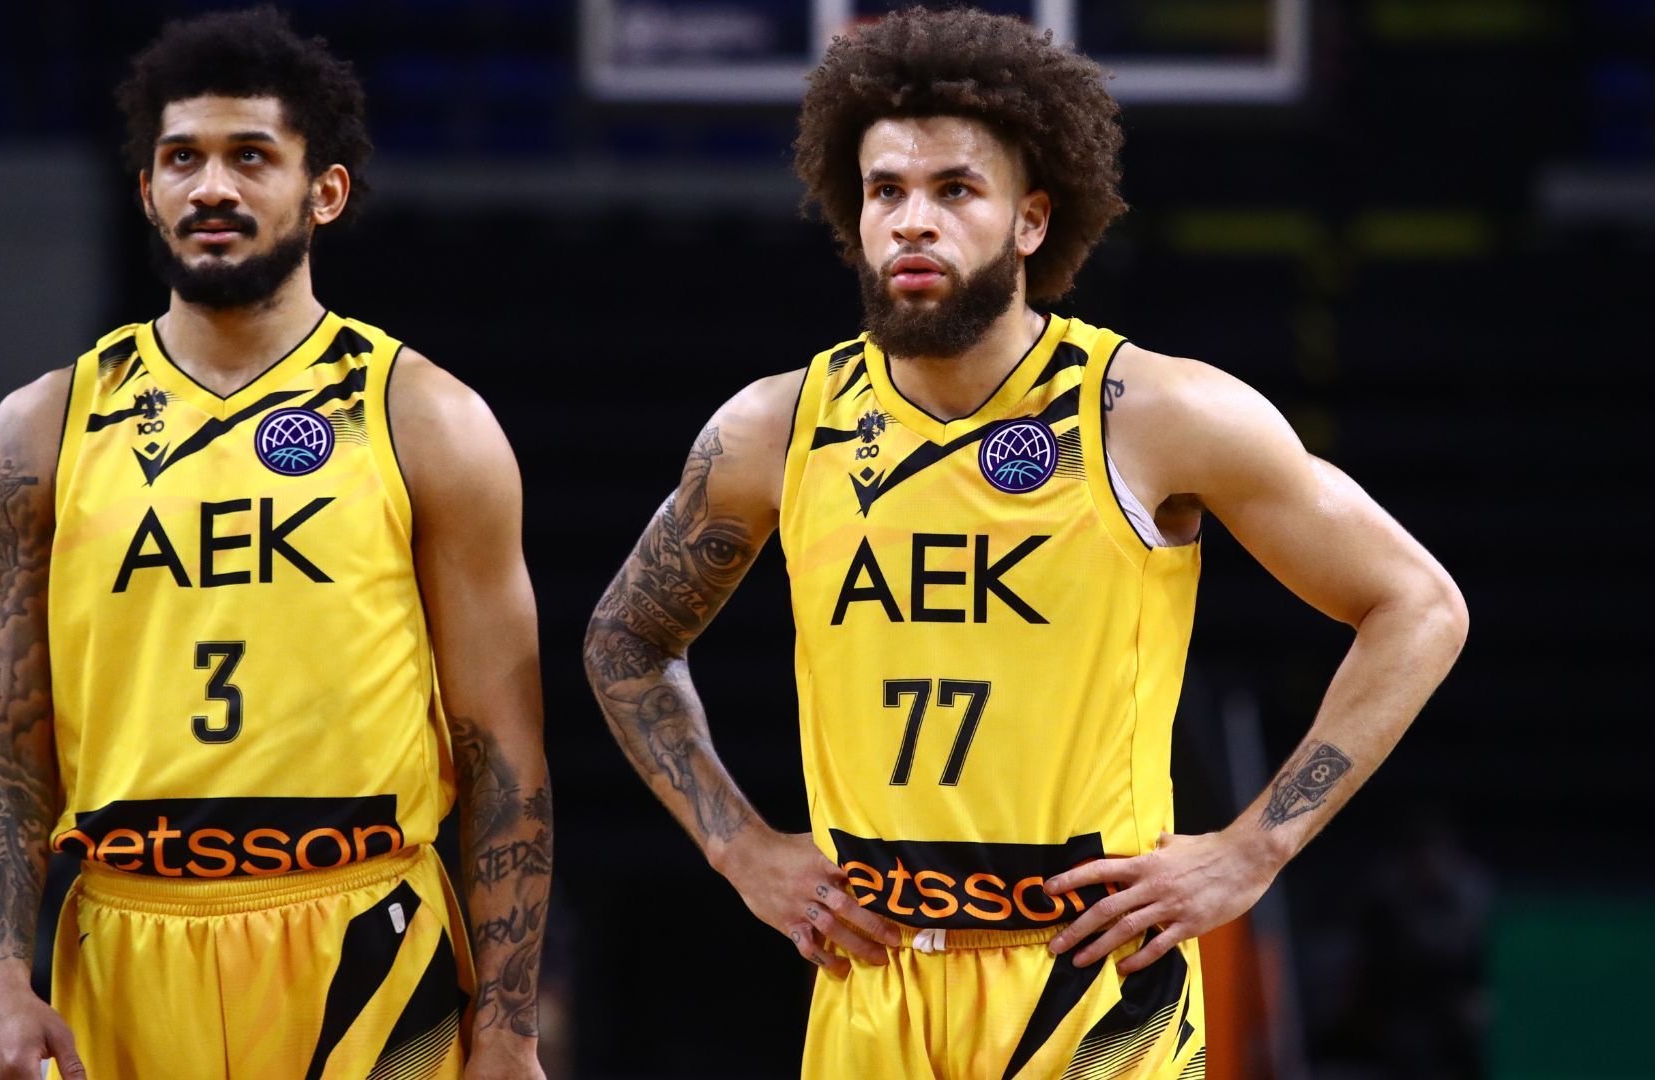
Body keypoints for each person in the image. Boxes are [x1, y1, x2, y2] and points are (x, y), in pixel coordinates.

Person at [581, 7, 1468, 1077]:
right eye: (885, 192)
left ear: (1032, 221)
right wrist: (740, 849)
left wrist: (1255, 847)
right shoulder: (776, 428)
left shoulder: (1153, 413)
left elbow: (1419, 606)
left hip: (1093, 988)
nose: (913, 222)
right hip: (875, 984)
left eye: (955, 190)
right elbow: (625, 639)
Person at [0, 10, 550, 1079]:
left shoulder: (427, 417)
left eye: (251, 157)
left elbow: (502, 750)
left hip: (366, 936)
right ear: (147, 190)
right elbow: (2, 740)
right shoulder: (42, 428)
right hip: (126, 940)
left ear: (324, 192)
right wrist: (1, 979)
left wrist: (508, 1028)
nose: (211, 188)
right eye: (182, 159)